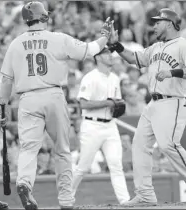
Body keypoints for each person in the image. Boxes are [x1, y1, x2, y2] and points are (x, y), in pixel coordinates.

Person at [0, 1, 113, 210]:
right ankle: (66, 200)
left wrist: (3, 107)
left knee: (29, 149)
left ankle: (24, 182)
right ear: (44, 17)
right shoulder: (57, 38)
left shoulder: (15, 43)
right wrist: (105, 35)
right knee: (62, 150)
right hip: (53, 95)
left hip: (28, 99)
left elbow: (6, 81)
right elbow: (91, 49)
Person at [108, 8, 186, 206]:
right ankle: (145, 194)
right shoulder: (155, 47)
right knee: (139, 145)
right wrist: (116, 45)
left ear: (170, 24)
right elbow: (135, 59)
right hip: (152, 104)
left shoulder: (184, 45)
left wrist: (173, 73)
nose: (154, 25)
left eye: (158, 22)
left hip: (173, 101)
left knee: (168, 145)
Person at [71, 47, 130, 204]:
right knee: (82, 167)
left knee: (116, 164)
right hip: (92, 125)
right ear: (97, 58)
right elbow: (83, 104)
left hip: (110, 125)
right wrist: (107, 102)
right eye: (106, 53)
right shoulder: (89, 78)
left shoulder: (115, 78)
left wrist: (117, 107)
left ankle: (125, 201)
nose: (110, 55)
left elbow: (116, 103)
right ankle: (67, 197)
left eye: (110, 53)